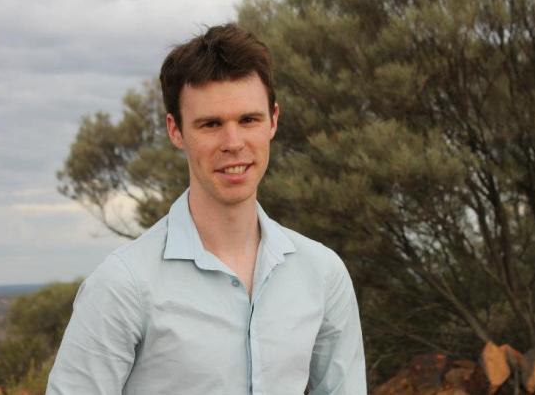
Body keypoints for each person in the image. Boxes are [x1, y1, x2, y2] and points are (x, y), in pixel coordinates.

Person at [46, 23, 366, 395]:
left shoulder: (323, 273)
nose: (233, 143)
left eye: (248, 119)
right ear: (175, 130)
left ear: (273, 121)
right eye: (211, 124)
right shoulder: (123, 286)